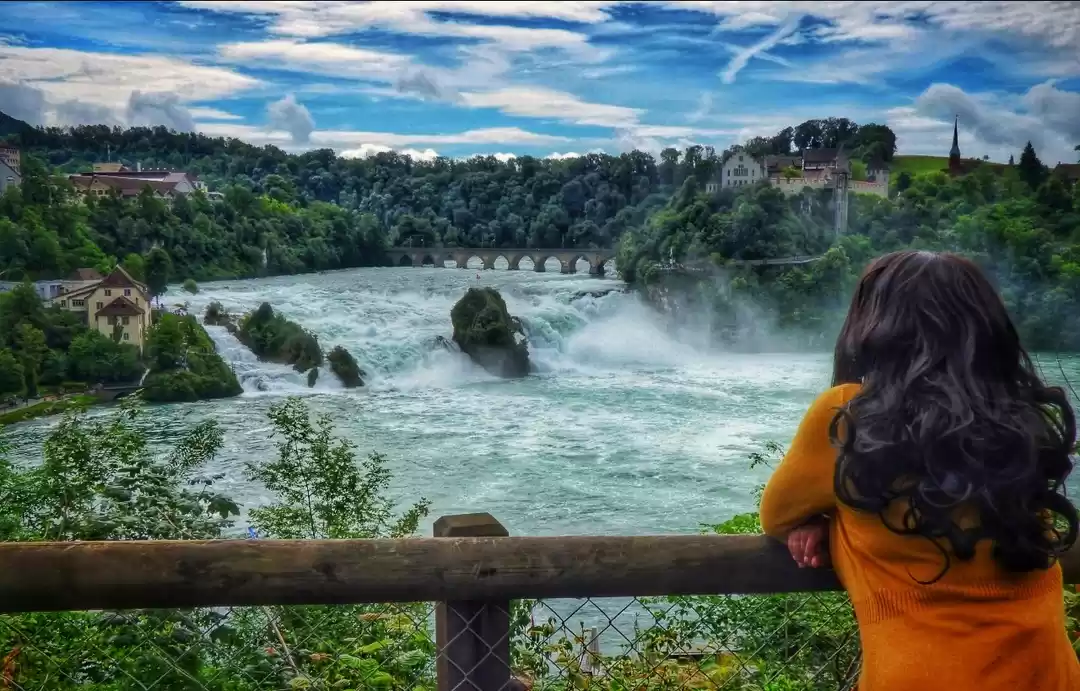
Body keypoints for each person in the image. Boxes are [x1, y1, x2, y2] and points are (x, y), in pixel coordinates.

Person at [759, 250, 1080, 690]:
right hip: (1045, 672)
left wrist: (833, 520)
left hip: (923, 673)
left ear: (874, 325)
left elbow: (777, 516)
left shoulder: (847, 416)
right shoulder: (1016, 417)